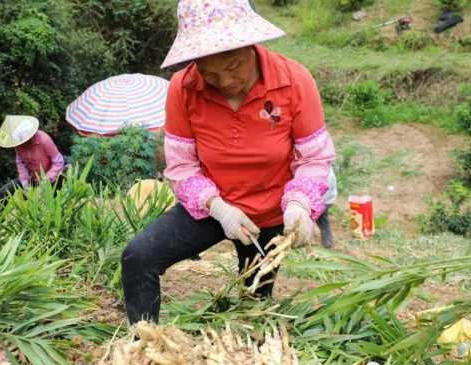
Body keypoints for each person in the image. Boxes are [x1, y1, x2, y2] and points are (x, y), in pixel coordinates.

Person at [121, 0, 336, 324]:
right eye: (210, 73)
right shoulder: (183, 87)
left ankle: (250, 343)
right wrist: (219, 208)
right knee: (139, 256)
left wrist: (299, 206)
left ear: (250, 45)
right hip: (211, 205)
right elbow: (181, 166)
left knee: (254, 297)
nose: (224, 81)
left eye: (233, 66)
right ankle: (143, 343)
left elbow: (314, 158)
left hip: (271, 212)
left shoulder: (293, 80)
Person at [0, 115, 65, 198]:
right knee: (4, 192)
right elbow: (20, 162)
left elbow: (58, 161)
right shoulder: (18, 145)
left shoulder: (44, 139)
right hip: (32, 178)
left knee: (49, 202)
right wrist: (25, 184)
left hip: (51, 178)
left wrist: (46, 180)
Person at [317, 167, 337, 248]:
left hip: (320, 201)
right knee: (323, 220)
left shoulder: (319, 173)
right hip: (328, 200)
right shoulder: (326, 165)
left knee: (308, 221)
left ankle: (305, 242)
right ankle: (328, 242)